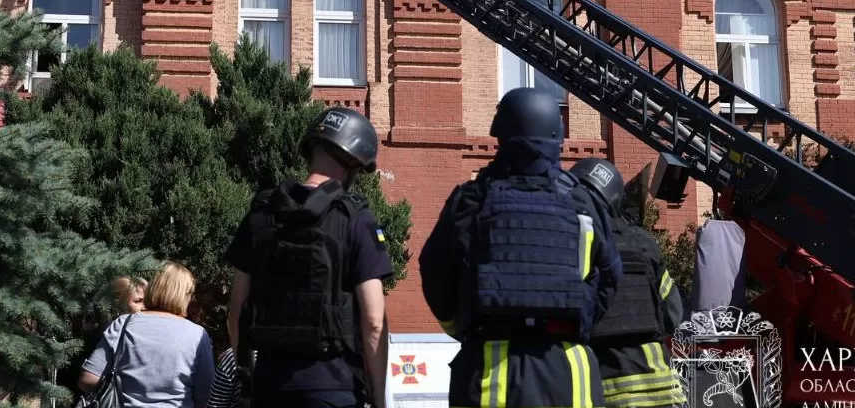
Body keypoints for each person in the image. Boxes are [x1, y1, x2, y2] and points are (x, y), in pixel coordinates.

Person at [419, 87, 622, 407]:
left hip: (487, 369)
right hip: (569, 373)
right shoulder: (584, 205)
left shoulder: (471, 199)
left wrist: (461, 326)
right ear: (558, 136)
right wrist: (579, 319)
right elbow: (610, 277)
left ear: (500, 135)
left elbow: (435, 270)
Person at [225, 107, 392, 408]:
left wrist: (247, 380)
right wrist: (379, 399)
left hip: (269, 389)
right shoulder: (355, 219)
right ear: (353, 162)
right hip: (335, 389)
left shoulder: (261, 215)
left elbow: (236, 310)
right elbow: (374, 321)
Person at [569, 159, 687, 408]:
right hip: (661, 391)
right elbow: (674, 314)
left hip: (603, 391)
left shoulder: (573, 244)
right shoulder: (643, 243)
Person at [80, 261, 215, 407]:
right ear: (184, 295)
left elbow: (88, 380)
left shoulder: (123, 324)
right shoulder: (197, 334)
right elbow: (206, 395)